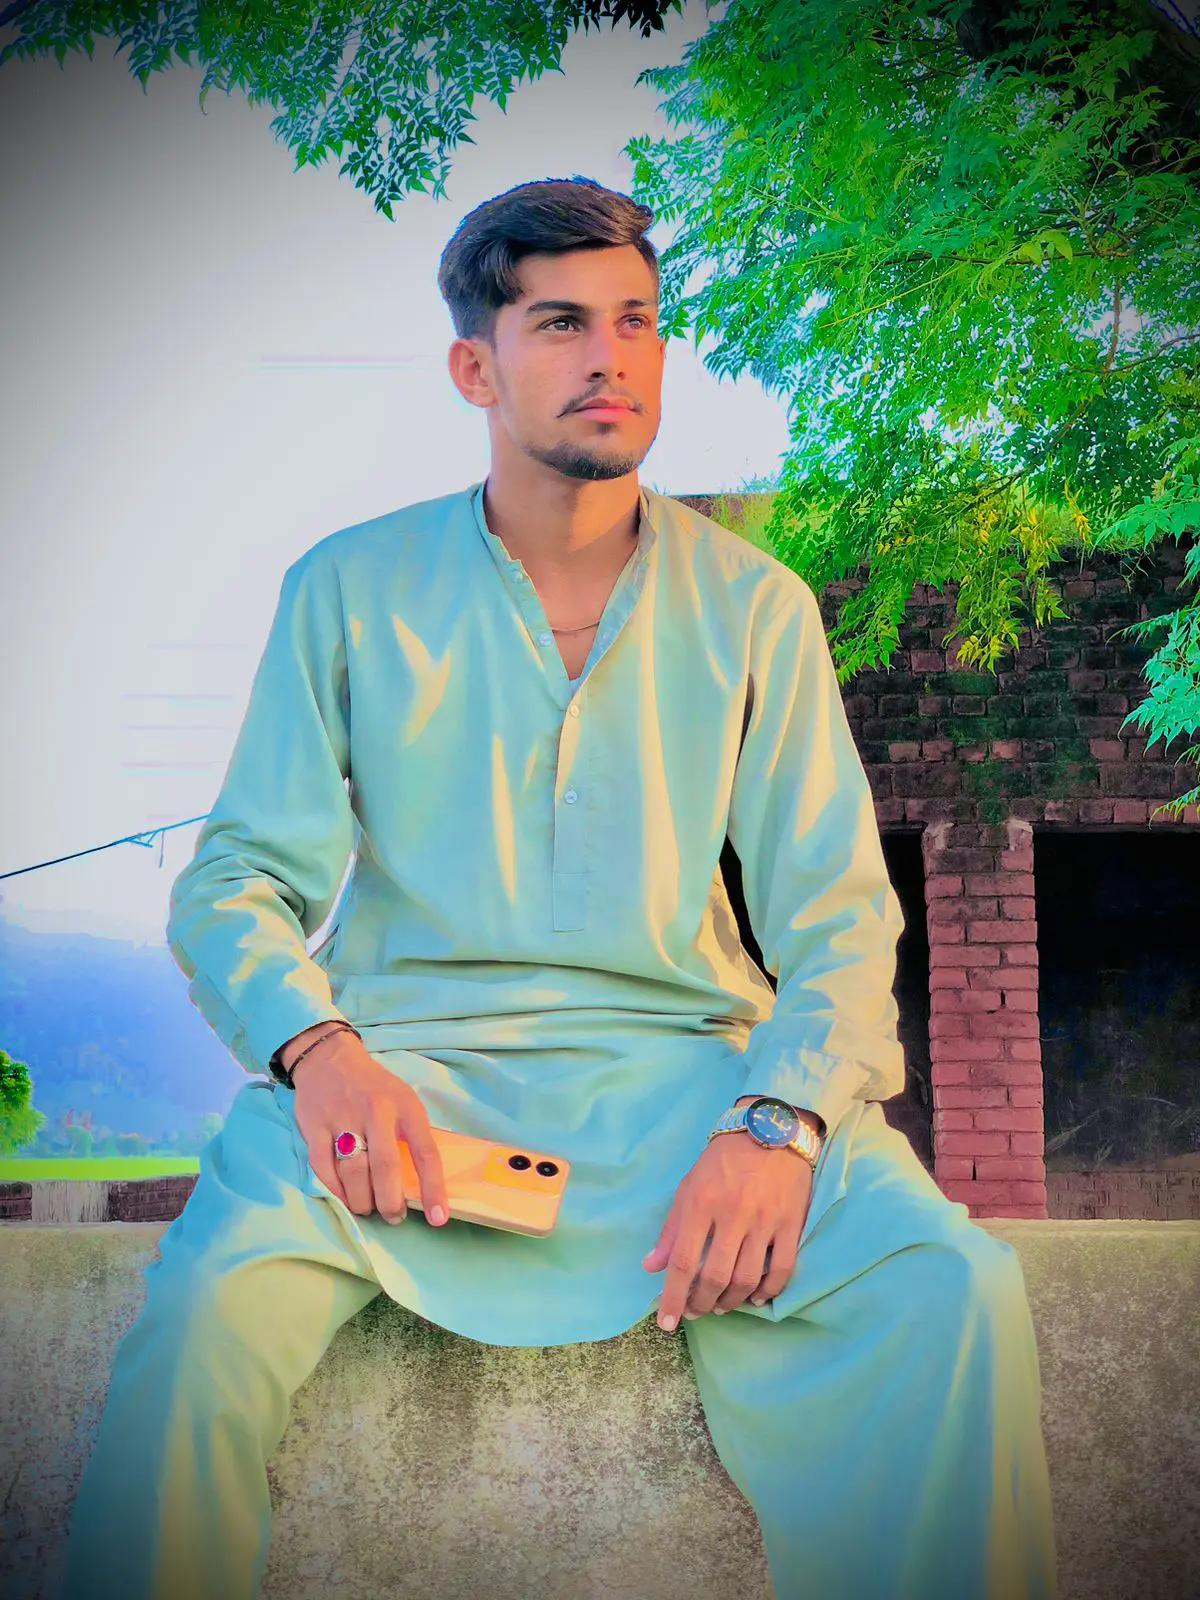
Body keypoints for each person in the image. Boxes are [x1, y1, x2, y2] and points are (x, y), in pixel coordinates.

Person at [60, 175, 1058, 1600]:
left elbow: (840, 914)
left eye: (637, 321)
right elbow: (236, 882)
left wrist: (778, 1124)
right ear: (476, 367)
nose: (612, 358)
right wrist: (320, 1051)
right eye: (563, 323)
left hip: (695, 1090)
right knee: (198, 1325)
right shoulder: (348, 589)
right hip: (401, 1095)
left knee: (957, 1291)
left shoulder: (755, 605)